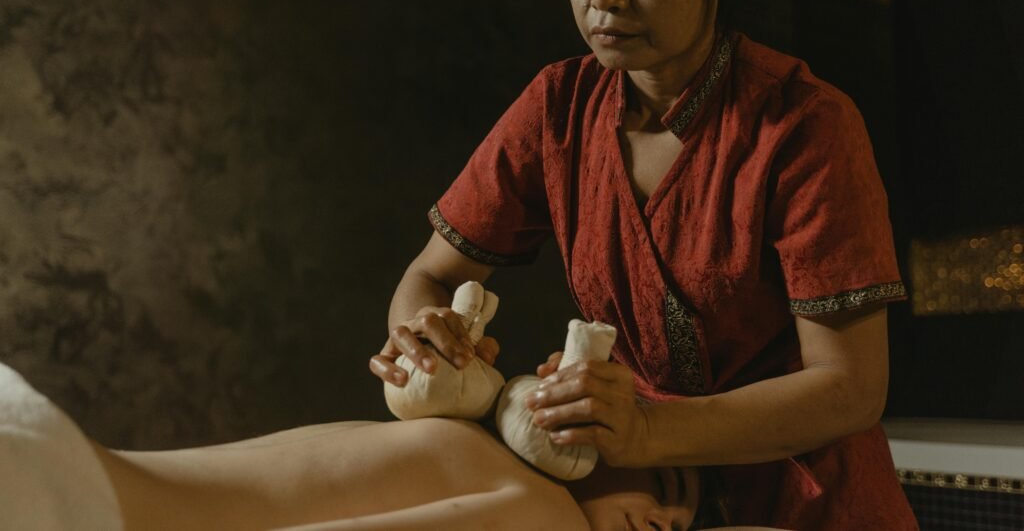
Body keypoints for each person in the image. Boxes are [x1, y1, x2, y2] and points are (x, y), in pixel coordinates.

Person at [369, 0, 918, 528]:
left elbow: (850, 389)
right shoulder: (556, 109)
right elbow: (430, 274)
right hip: (644, 496)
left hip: (810, 504)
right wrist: (425, 338)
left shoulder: (803, 125)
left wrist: (647, 430)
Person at [4, 360, 769, 530]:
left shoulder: (448, 439)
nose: (669, 529)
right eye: (667, 488)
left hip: (48, 450)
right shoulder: (546, 516)